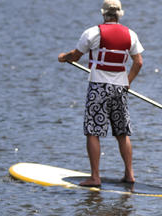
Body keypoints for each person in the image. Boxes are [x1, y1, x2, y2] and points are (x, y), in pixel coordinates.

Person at [58, 0, 143, 187]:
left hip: (99, 88)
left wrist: (63, 57)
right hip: (120, 89)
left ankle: (95, 177)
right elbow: (138, 62)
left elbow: (76, 56)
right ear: (120, 14)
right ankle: (130, 174)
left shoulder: (92, 33)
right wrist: (127, 82)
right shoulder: (131, 34)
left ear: (103, 14)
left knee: (92, 132)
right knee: (122, 132)